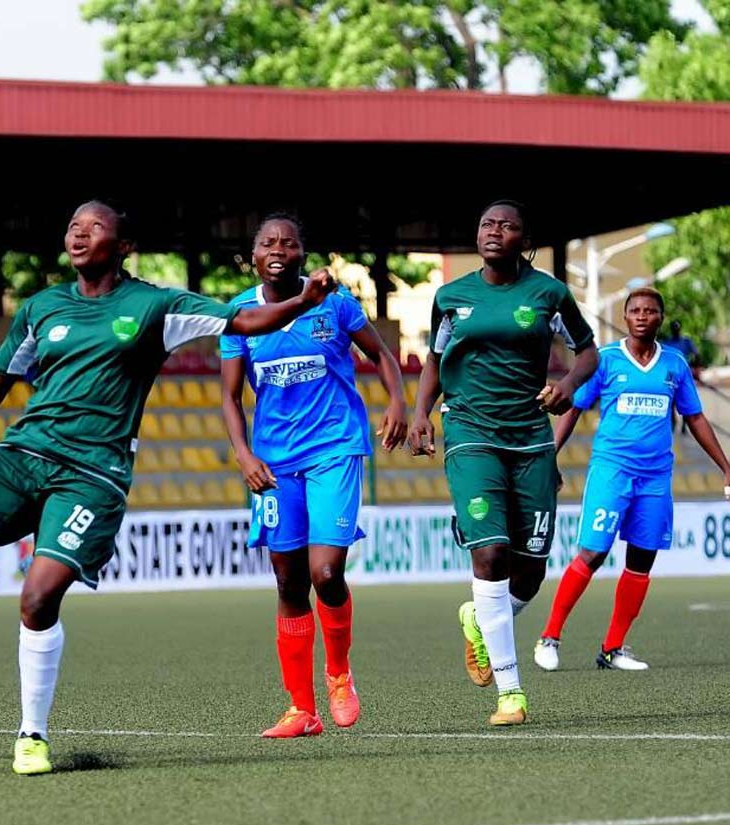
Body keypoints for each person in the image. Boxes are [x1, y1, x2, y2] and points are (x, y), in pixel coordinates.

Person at [0, 200, 336, 775]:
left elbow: (245, 322)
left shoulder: (157, 305)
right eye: (74, 227)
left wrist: (303, 302)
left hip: (92, 475)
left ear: (123, 247)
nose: (79, 235)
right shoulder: (42, 307)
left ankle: (32, 735)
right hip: (22, 453)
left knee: (38, 597)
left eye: (95, 227)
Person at [408, 199, 598, 726]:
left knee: (530, 572)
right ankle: (511, 693)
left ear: (524, 240)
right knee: (490, 555)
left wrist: (568, 384)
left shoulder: (549, 294)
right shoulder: (450, 297)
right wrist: (421, 413)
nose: (494, 231)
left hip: (530, 438)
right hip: (469, 432)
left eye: (507, 225)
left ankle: (479, 617)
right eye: (487, 224)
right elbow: (435, 359)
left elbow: (588, 352)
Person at [220, 214, 407, 738]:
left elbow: (381, 355)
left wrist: (396, 400)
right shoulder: (240, 314)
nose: (278, 249)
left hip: (334, 448)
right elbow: (230, 397)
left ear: (303, 254)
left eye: (288, 242)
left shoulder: (336, 303)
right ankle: (301, 710)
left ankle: (339, 673)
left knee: (325, 573)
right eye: (267, 243)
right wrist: (243, 454)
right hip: (275, 462)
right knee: (288, 580)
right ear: (253, 256)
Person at [536, 287, 730, 672]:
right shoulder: (605, 360)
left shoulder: (674, 364)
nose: (642, 316)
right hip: (612, 471)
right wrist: (548, 456)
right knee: (593, 553)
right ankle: (550, 636)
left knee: (641, 560)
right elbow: (573, 409)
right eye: (635, 310)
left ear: (660, 318)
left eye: (650, 311)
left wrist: (726, 466)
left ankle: (612, 648)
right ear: (625, 317)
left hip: (655, 477)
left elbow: (694, 417)